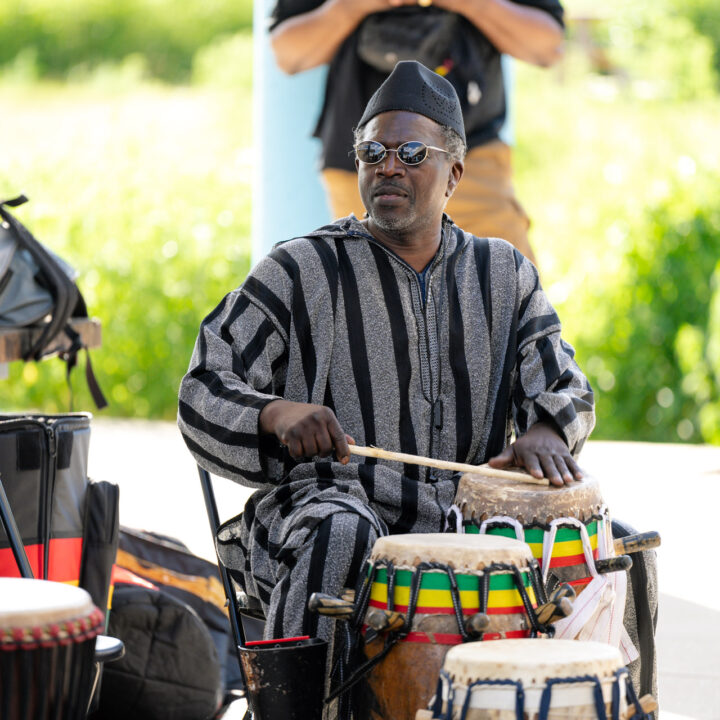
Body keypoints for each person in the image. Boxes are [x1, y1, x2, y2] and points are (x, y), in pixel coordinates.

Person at [179, 62, 593, 716]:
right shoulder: (298, 268)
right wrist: (273, 415)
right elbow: (204, 385)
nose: (388, 167)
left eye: (410, 153)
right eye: (372, 152)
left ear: (455, 174)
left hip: (460, 520)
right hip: (319, 508)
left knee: (602, 545)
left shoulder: (504, 275)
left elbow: (562, 380)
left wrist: (547, 427)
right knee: (339, 531)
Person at [269, 0, 566, 266]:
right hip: (365, 165)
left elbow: (547, 45)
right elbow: (288, 53)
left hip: (468, 161)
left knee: (503, 310)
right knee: (371, 316)